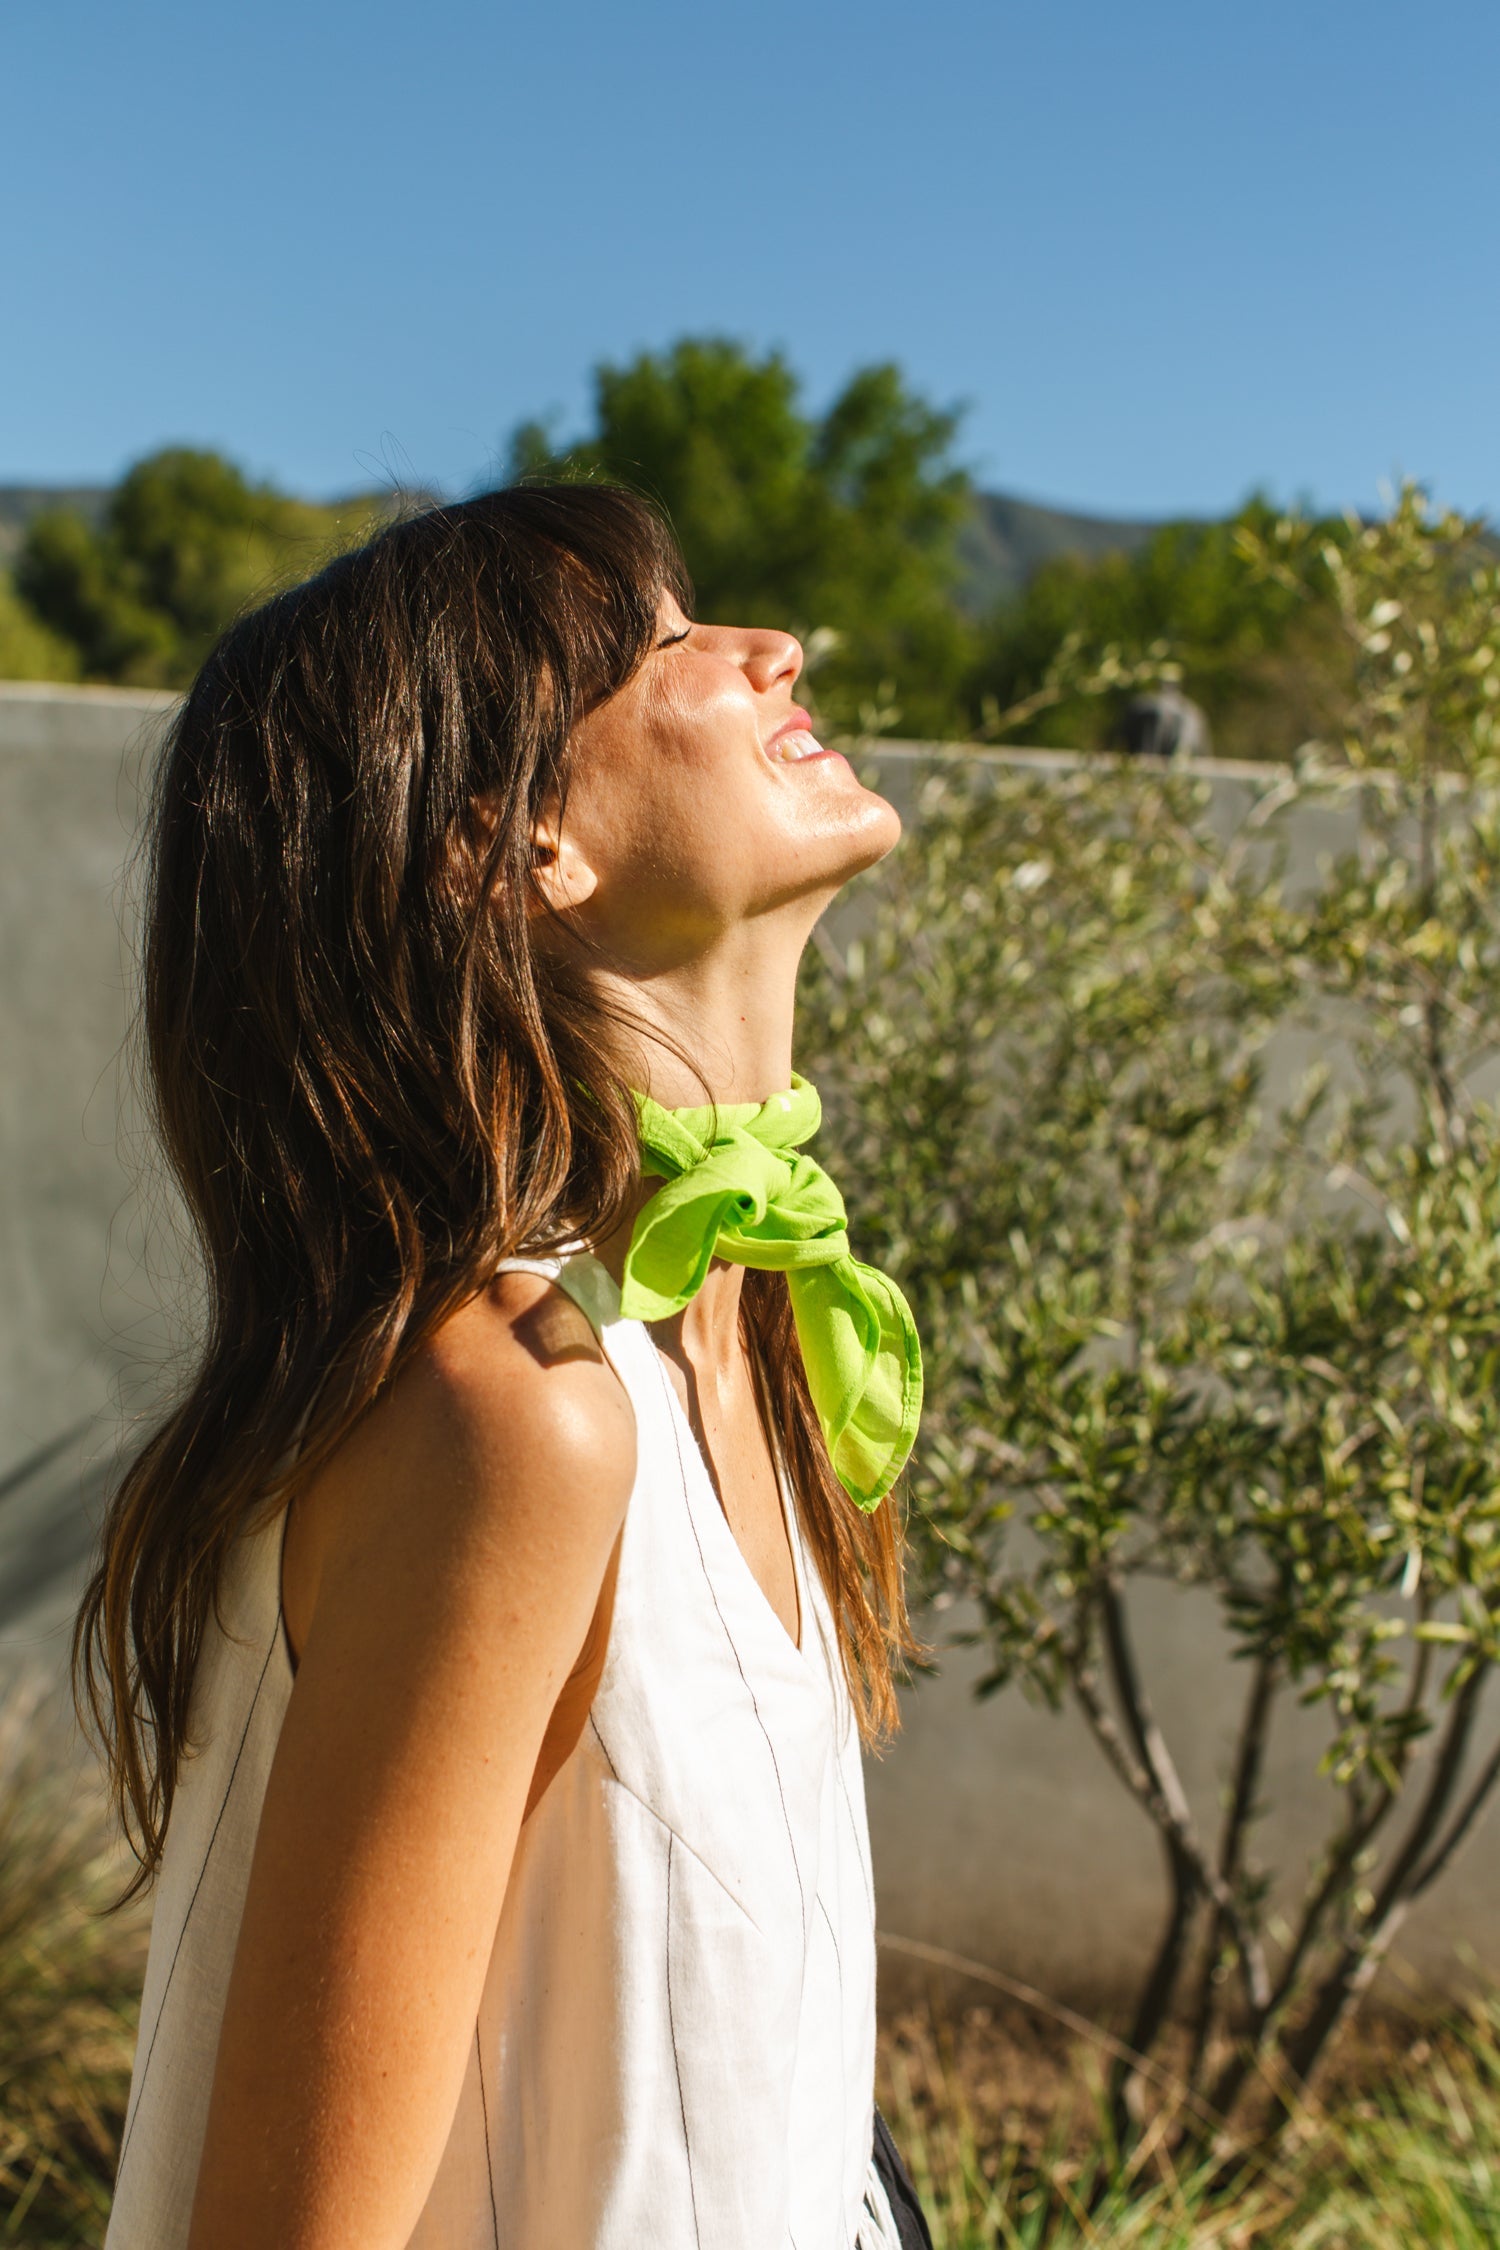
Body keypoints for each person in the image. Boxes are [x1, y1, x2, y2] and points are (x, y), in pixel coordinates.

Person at [77, 483, 935, 2249]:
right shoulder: (505, 1413)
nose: (772, 647)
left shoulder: (746, 1338)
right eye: (664, 645)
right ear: (516, 840)